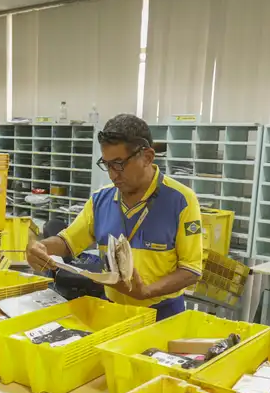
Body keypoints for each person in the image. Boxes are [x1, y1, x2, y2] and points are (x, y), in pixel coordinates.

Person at [25, 114, 203, 320]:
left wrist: (147, 292)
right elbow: (68, 241)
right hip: (113, 310)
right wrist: (41, 248)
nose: (112, 174)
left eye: (119, 164)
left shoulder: (181, 200)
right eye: (107, 164)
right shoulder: (101, 199)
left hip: (163, 313)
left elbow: (191, 270)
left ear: (147, 157)